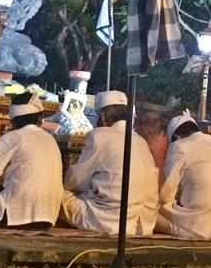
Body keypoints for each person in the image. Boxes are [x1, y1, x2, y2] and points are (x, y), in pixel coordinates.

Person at [60, 90, 159, 236]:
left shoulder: (99, 136)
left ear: (103, 116)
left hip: (109, 221)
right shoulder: (140, 141)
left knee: (55, 193)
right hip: (144, 225)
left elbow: (74, 182)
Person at [0, 92, 63, 229]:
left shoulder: (12, 137)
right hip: (48, 218)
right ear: (40, 118)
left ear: (12, 122)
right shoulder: (50, 139)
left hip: (16, 217)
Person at [155, 111, 211, 241]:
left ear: (177, 137)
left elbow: (164, 195)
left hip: (199, 227)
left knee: (147, 211)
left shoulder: (179, 146)